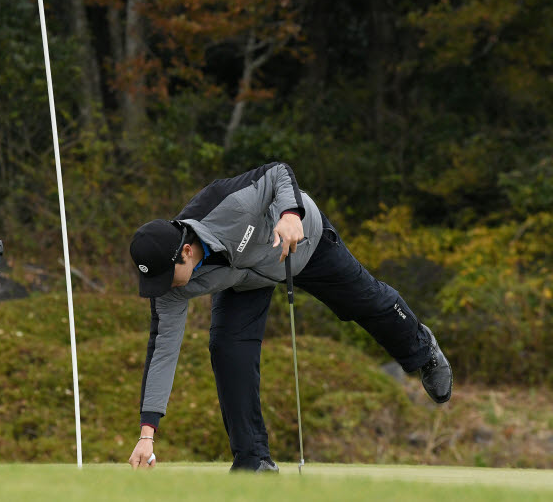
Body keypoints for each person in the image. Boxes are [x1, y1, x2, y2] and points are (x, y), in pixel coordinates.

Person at [126, 162, 451, 472]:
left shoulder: (230, 204)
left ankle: (423, 351)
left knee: (365, 302)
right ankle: (253, 460)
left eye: (165, 276)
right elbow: (163, 351)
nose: (162, 287)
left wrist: (290, 213)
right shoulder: (170, 290)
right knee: (228, 349)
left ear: (184, 252)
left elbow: (278, 172)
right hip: (245, 281)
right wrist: (147, 433)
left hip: (301, 244)